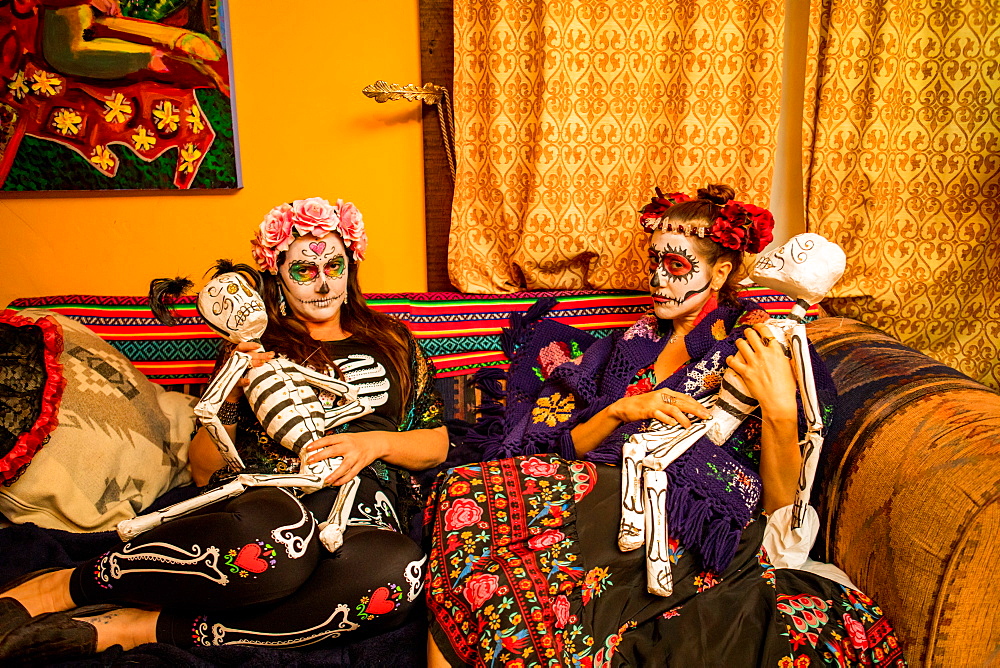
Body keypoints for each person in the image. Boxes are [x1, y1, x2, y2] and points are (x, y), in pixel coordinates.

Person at [425, 185, 905, 666]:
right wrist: (620, 411)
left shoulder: (754, 346)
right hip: (599, 491)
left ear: (719, 272)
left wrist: (779, 408)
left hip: (694, 522)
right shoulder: (629, 344)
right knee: (465, 490)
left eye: (675, 266)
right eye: (653, 261)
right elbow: (561, 447)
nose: (657, 278)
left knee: (481, 504)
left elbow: (782, 509)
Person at [0, 197, 449, 661]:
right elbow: (202, 471)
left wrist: (372, 443)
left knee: (399, 578)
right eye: (303, 271)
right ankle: (67, 587)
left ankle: (149, 627)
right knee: (279, 545)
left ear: (350, 268)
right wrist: (235, 385)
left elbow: (436, 444)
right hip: (276, 501)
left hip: (363, 512)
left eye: (334, 265)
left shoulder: (393, 340)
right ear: (277, 275)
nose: (322, 282)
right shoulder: (255, 345)